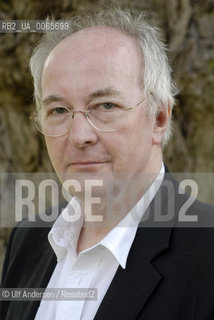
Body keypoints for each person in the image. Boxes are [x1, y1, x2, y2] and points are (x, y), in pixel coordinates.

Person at [1, 8, 214, 320]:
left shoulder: (207, 251)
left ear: (158, 118)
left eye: (105, 106)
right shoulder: (27, 239)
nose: (79, 135)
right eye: (59, 110)